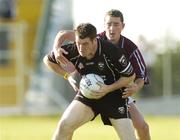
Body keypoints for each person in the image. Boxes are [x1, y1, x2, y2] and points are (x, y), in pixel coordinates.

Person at [53, 9, 151, 140]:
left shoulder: (130, 48)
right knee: (66, 125)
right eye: (109, 24)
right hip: (91, 92)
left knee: (142, 126)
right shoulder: (93, 38)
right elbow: (63, 34)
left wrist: (136, 87)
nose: (112, 28)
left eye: (116, 24)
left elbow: (140, 76)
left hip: (118, 92)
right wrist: (56, 49)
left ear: (123, 26)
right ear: (104, 26)